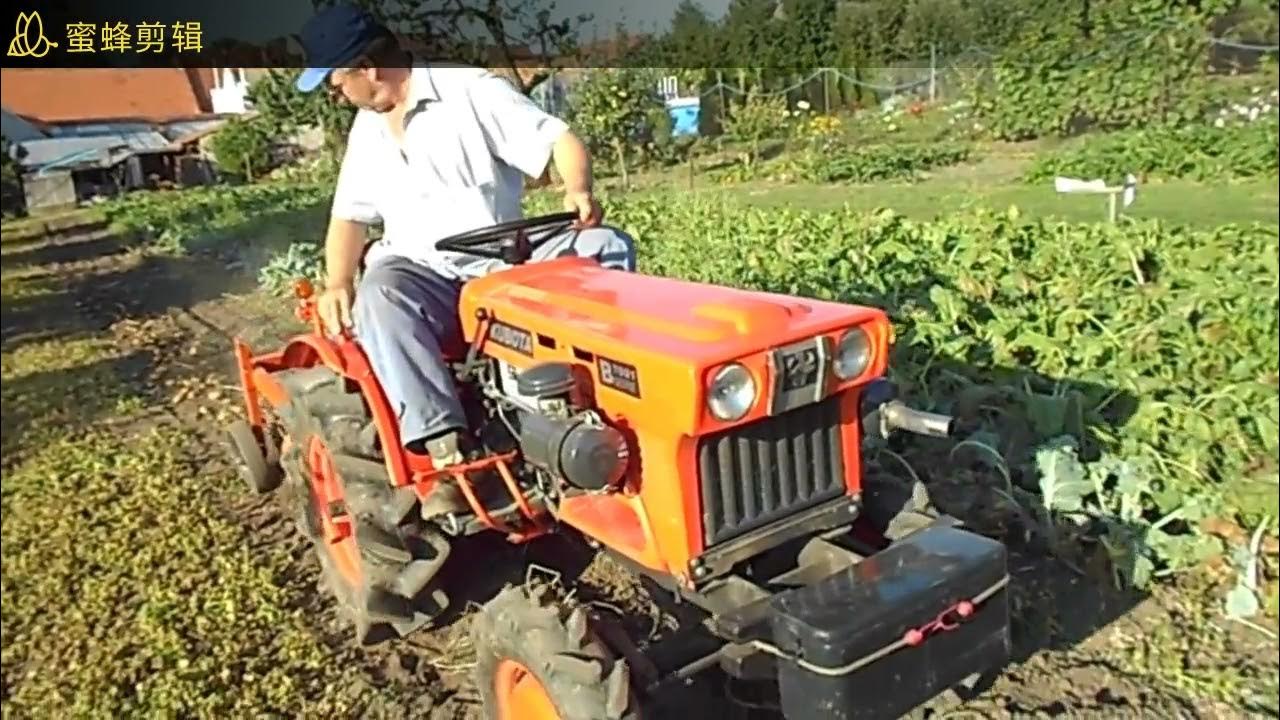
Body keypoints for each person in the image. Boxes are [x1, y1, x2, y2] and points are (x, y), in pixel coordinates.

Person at [293, 4, 637, 473]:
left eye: (336, 84)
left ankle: (614, 398)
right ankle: (445, 446)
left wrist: (578, 189)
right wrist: (337, 281)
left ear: (366, 67)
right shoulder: (367, 131)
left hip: (502, 267)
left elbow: (559, 139)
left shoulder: (469, 90)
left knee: (605, 246)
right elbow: (348, 217)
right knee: (379, 294)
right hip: (421, 275)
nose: (336, 97)